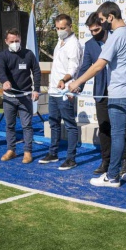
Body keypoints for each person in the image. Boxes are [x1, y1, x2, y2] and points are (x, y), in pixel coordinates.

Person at [69, 1, 126, 188]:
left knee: (117, 134)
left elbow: (99, 65)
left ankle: (112, 176)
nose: (102, 24)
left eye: (102, 20)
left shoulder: (115, 36)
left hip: (120, 93)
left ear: (111, 16)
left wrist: (77, 82)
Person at [77, 12, 126, 175]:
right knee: (104, 127)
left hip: (120, 91)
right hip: (101, 92)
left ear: (103, 25)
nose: (94, 34)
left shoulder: (118, 38)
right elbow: (86, 67)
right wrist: (79, 85)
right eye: (91, 31)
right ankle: (106, 161)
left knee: (123, 128)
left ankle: (125, 161)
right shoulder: (89, 45)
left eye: (96, 30)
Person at [38, 14, 82, 170]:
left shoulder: (74, 44)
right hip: (54, 90)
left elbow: (74, 68)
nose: (59, 31)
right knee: (53, 122)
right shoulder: (59, 42)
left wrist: (64, 80)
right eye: (57, 28)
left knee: (70, 125)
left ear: (70, 27)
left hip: (66, 91)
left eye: (63, 28)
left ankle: (71, 158)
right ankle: (53, 153)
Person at [0, 28, 41, 164]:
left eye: (17, 40)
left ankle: (27, 152)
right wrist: (5, 81)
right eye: (12, 41)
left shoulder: (28, 54)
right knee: (10, 125)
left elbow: (37, 71)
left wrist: (36, 89)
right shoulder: (2, 56)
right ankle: (11, 150)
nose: (15, 43)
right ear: (6, 41)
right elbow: (0, 71)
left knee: (27, 125)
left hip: (25, 96)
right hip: (9, 97)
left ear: (20, 39)